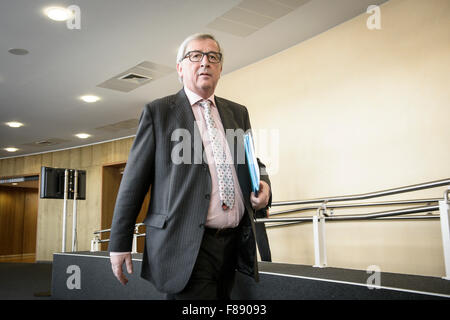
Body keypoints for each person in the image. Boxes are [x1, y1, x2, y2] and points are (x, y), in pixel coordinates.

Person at [109, 33, 272, 300]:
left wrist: (264, 187)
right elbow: (133, 184)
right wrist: (119, 243)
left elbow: (253, 162)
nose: (205, 62)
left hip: (233, 243)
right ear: (180, 68)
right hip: (186, 244)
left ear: (220, 67)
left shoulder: (237, 112)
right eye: (195, 56)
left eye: (213, 57)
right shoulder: (158, 112)